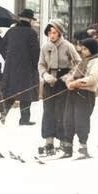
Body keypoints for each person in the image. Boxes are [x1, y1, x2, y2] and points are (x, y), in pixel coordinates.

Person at [37, 19, 80, 156]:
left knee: (62, 112)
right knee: (48, 111)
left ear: (60, 33)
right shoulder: (45, 47)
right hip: (50, 82)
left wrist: (70, 75)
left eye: (55, 32)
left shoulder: (68, 46)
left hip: (63, 82)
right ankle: (49, 141)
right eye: (50, 32)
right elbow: (41, 64)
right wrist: (45, 75)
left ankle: (63, 141)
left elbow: (79, 62)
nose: (52, 35)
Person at [61, 38, 98, 159]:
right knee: (68, 119)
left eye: (85, 49)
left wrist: (76, 83)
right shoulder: (82, 62)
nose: (82, 51)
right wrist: (69, 82)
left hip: (85, 95)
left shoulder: (96, 62)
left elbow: (92, 78)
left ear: (92, 49)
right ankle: (68, 148)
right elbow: (72, 74)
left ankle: (83, 148)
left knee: (81, 121)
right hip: (73, 94)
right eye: (82, 48)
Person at [2, 8, 40, 126]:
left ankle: (4, 113)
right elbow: (36, 52)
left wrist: (8, 59)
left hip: (11, 67)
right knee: (26, 94)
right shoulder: (32, 33)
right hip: (26, 68)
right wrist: (35, 66)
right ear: (29, 20)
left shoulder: (11, 31)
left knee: (10, 92)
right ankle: (24, 119)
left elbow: (2, 46)